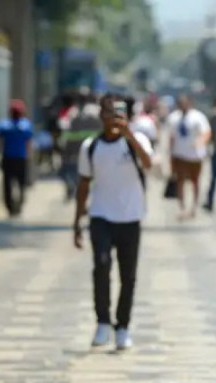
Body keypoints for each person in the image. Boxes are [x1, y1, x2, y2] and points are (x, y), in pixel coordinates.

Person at [73, 94, 154, 351]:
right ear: (101, 116)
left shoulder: (136, 140)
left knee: (127, 276)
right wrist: (77, 220)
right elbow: (84, 183)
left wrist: (129, 134)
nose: (113, 118)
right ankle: (102, 322)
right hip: (101, 216)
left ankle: (123, 327)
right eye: (108, 112)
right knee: (101, 265)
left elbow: (149, 163)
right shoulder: (91, 147)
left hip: (130, 217)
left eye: (118, 113)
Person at [167, 95, 212, 220]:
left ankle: (193, 207)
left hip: (195, 156)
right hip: (179, 154)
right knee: (180, 181)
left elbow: (206, 132)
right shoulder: (173, 118)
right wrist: (170, 155)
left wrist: (200, 142)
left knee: (195, 181)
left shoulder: (198, 117)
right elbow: (172, 137)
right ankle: (182, 207)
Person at [0, 99, 34, 217]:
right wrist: (30, 156)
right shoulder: (26, 125)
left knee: (7, 184)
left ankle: (10, 207)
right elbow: (29, 143)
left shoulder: (4, 125)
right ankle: (20, 203)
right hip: (21, 158)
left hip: (8, 158)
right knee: (21, 183)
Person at [60, 94, 102, 201]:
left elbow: (67, 134)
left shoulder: (73, 113)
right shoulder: (98, 111)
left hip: (77, 151)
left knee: (79, 175)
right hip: (93, 151)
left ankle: (79, 196)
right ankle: (85, 198)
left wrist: (66, 151)